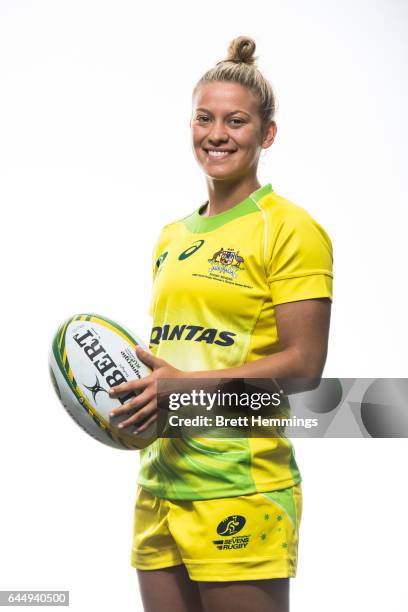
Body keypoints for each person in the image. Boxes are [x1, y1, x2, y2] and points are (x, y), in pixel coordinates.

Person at [109, 36, 333, 612]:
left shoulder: (287, 228)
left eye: (236, 121)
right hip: (161, 481)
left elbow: (305, 367)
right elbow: (174, 353)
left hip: (240, 483)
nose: (217, 134)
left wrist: (180, 388)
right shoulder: (171, 237)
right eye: (204, 118)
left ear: (268, 134)